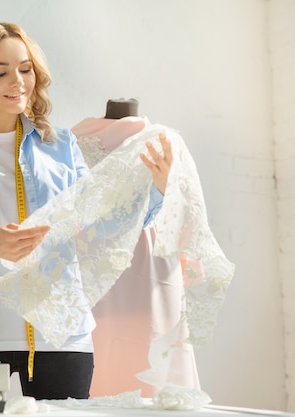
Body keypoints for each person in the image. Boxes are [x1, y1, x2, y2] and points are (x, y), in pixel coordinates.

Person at [0, 23, 172, 400]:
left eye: (26, 69)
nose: (17, 81)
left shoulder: (62, 144)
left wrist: (155, 193)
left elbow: (95, 226)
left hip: (60, 339)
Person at [72, 99, 200, 398]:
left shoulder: (167, 140)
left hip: (152, 264)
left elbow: (186, 211)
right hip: (96, 265)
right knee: (98, 355)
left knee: (152, 353)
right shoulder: (73, 140)